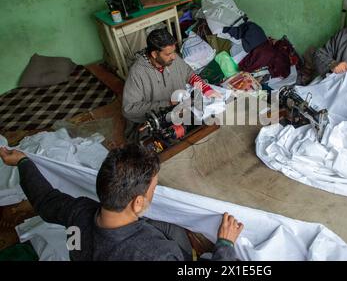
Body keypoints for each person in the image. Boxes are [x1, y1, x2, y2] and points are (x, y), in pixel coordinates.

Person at [0, 144, 243, 261]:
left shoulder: (78, 212)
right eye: (155, 189)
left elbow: (45, 200)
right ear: (137, 203)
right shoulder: (155, 254)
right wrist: (224, 245)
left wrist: (23, 162)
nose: (155, 193)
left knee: (173, 228)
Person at [122, 28, 220, 141]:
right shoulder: (137, 73)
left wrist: (206, 89)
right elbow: (128, 109)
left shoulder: (172, 58)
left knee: (205, 127)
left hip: (179, 112)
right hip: (156, 122)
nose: (174, 56)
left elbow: (188, 73)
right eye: (168, 54)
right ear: (154, 54)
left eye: (174, 51)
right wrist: (167, 103)